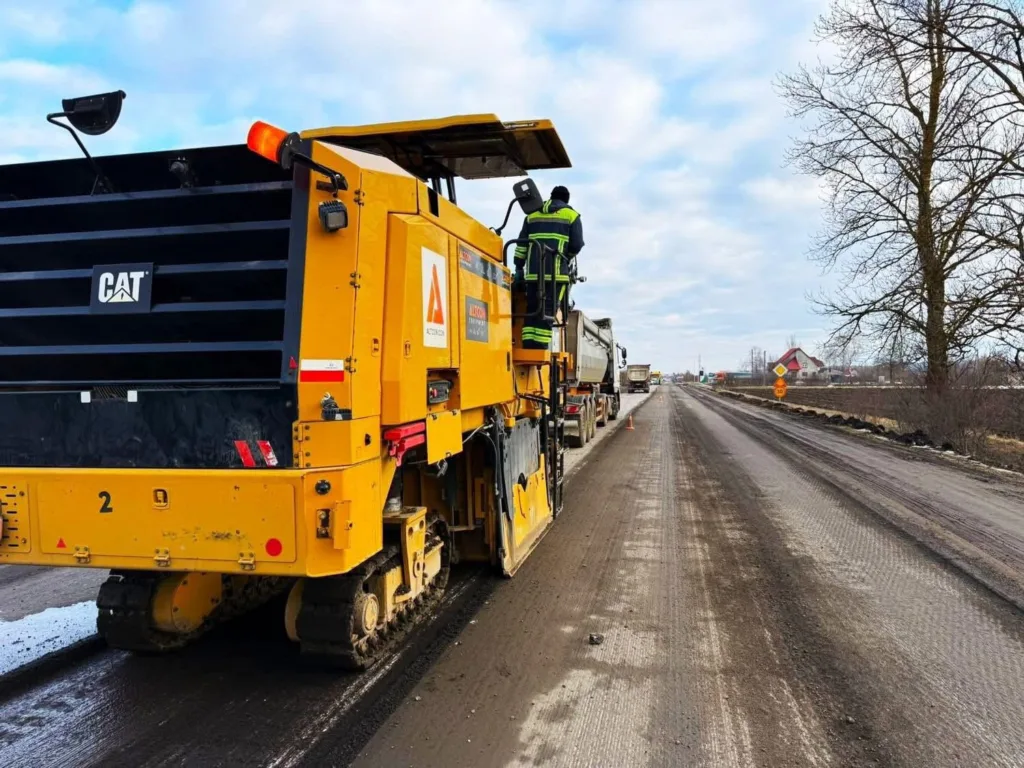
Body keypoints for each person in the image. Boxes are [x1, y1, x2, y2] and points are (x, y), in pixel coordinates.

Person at [512, 185, 585, 349]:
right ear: (566, 200)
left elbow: (521, 245)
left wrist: (518, 267)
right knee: (548, 310)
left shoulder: (531, 216)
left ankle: (528, 345)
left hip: (533, 274)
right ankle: (540, 347)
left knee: (533, 309)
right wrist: (568, 256)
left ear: (551, 197)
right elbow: (577, 244)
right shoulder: (571, 215)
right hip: (556, 274)